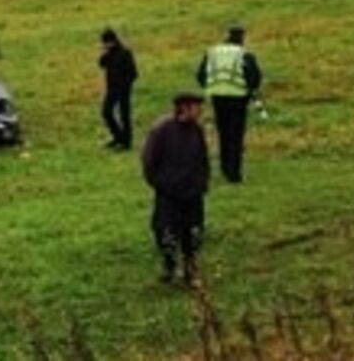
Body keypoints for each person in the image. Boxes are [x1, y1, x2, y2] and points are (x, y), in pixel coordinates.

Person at [141, 91, 210, 284]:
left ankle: (190, 268)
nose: (200, 111)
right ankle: (169, 265)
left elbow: (203, 160)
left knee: (193, 232)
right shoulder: (162, 131)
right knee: (166, 232)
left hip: (193, 193)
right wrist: (161, 184)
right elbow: (149, 163)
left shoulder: (197, 130)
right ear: (184, 107)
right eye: (196, 107)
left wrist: (201, 183)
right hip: (168, 193)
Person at [195, 23, 263, 184]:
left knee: (223, 132)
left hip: (218, 96)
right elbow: (254, 76)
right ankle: (234, 173)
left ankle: (224, 168)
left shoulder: (212, 52)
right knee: (236, 135)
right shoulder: (244, 54)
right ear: (242, 37)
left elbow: (200, 74)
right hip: (238, 98)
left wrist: (210, 87)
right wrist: (250, 90)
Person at [97, 28, 138, 150]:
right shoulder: (110, 54)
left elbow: (133, 73)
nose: (105, 45)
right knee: (106, 112)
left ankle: (126, 142)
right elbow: (101, 64)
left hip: (123, 89)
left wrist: (125, 85)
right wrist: (105, 53)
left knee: (124, 115)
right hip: (112, 88)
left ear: (113, 41)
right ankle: (118, 136)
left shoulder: (125, 53)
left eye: (107, 43)